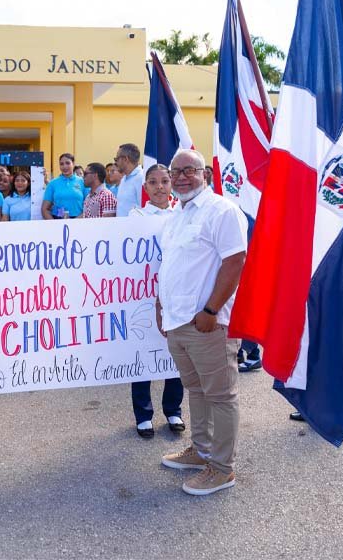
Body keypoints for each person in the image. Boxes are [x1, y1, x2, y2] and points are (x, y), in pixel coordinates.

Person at [157, 149, 247, 496]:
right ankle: (201, 450)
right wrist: (160, 304)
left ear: (204, 173)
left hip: (207, 323)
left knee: (220, 395)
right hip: (178, 321)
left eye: (188, 171)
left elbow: (235, 261)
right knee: (196, 390)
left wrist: (211, 311)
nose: (180, 177)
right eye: (174, 171)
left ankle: (222, 469)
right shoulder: (177, 215)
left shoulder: (221, 211)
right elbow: (174, 264)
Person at [128, 164, 185, 437]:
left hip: (177, 294)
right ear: (145, 187)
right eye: (153, 182)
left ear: (172, 183)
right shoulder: (136, 215)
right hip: (144, 294)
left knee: (176, 354)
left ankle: (173, 410)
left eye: (164, 181)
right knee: (143, 352)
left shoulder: (183, 212)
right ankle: (143, 414)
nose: (160, 187)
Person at [41, 153, 84, 219]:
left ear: (73, 164)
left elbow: (89, 207)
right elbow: (44, 209)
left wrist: (75, 222)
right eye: (61, 164)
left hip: (79, 221)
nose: (64, 166)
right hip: (58, 221)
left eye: (67, 163)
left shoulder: (83, 182)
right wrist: (54, 224)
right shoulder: (53, 183)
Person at [114, 143, 144, 217]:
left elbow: (144, 209)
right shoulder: (123, 179)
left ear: (125, 159)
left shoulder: (142, 178)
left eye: (116, 159)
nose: (115, 163)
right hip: (122, 227)